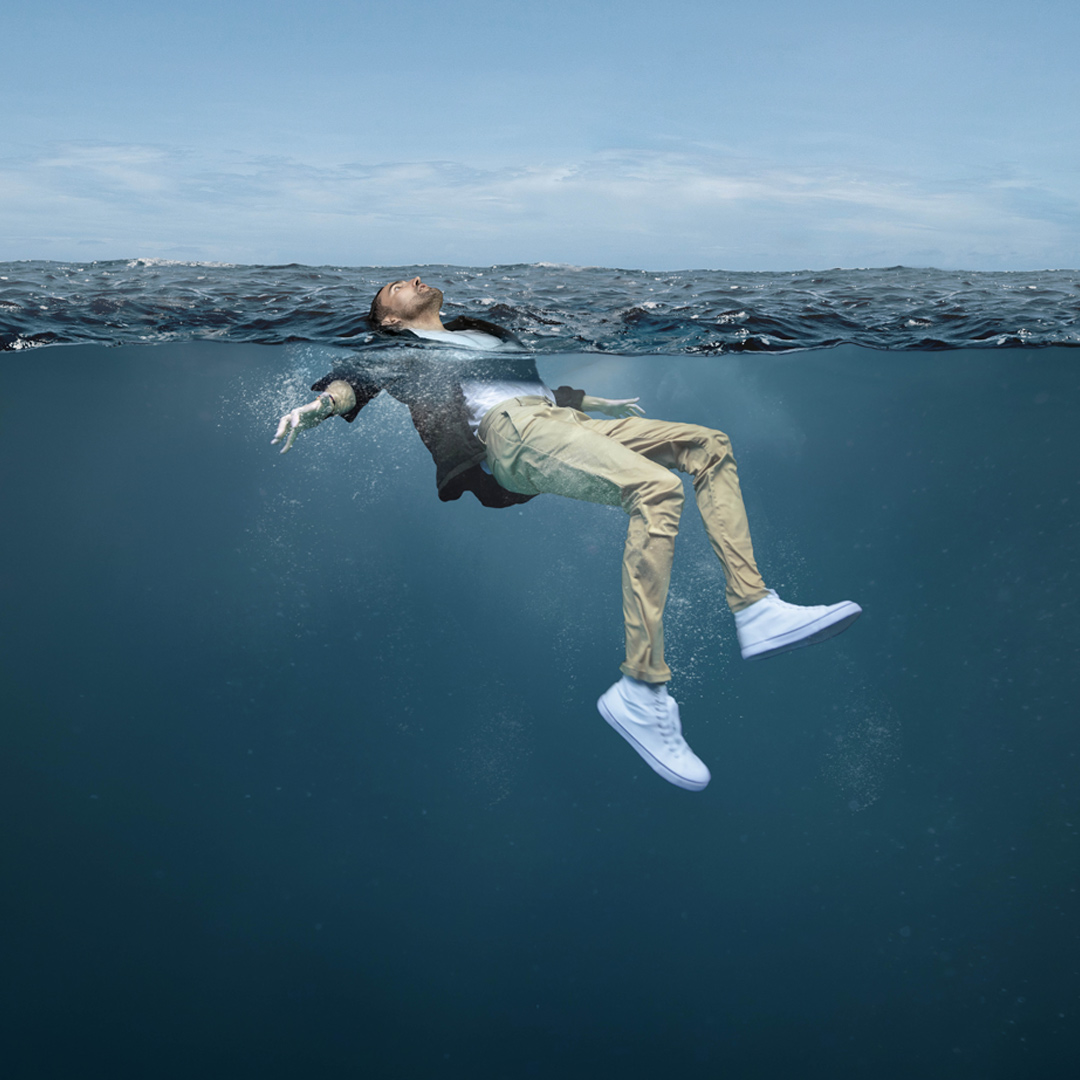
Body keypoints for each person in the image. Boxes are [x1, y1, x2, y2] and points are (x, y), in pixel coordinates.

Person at [273, 277, 861, 792]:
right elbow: (360, 378)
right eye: (398, 286)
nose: (416, 278)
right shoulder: (403, 349)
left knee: (708, 445)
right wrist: (316, 408)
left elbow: (524, 387)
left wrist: (592, 402)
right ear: (390, 319)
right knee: (656, 490)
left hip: (557, 420)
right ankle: (642, 690)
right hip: (512, 438)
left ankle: (756, 608)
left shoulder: (482, 331)